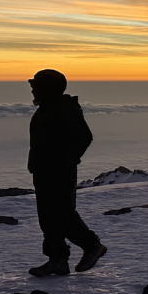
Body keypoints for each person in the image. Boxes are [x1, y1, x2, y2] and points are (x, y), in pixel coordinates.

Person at [25, 69, 106, 277]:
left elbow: (84, 137)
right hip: (44, 171)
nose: (32, 90)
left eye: (36, 86)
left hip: (58, 172)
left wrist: (66, 161)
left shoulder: (64, 109)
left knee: (62, 213)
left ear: (48, 89)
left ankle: (91, 246)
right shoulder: (47, 108)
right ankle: (57, 260)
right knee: (47, 216)